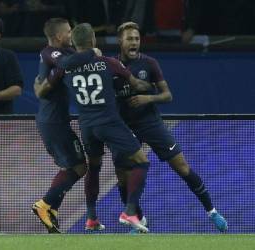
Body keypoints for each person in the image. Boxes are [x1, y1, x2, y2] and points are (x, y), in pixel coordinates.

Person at [86, 21, 228, 233]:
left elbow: (167, 95)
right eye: (130, 39)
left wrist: (147, 99)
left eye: (137, 38)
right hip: (124, 129)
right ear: (120, 42)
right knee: (123, 178)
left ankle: (212, 211)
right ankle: (138, 219)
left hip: (151, 124)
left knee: (182, 167)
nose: (134, 42)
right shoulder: (110, 66)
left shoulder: (150, 63)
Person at [47, 22, 156, 233]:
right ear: (93, 41)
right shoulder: (108, 63)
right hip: (109, 122)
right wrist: (149, 87)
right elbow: (136, 84)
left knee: (94, 168)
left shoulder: (66, 66)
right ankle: (130, 211)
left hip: (87, 126)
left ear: (74, 43)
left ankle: (91, 218)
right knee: (141, 162)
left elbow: (47, 87)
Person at [31, 18, 102, 234]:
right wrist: (92, 53)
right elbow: (66, 64)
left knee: (70, 167)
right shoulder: (49, 53)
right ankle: (44, 204)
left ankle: (51, 208)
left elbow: (74, 58)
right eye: (69, 31)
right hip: (53, 122)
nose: (71, 35)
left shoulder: (66, 51)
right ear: (59, 36)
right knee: (80, 166)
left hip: (56, 120)